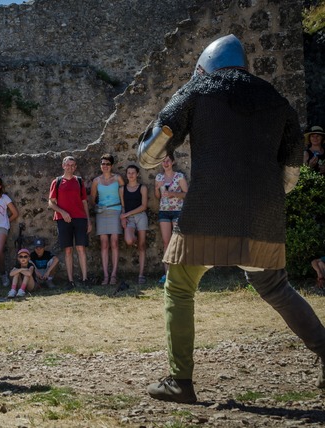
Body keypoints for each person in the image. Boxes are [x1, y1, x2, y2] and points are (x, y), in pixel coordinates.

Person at [137, 34, 325, 403]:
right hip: (262, 215)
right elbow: (290, 177)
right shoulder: (278, 102)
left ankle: (180, 382)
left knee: (179, 286)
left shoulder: (198, 89)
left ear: (205, 64)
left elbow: (149, 154)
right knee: (276, 288)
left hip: (207, 211)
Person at [48, 156, 92, 289]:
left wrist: (88, 221)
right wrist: (63, 212)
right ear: (63, 166)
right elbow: (51, 203)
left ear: (75, 167)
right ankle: (70, 281)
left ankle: (85, 279)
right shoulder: (57, 181)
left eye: (73, 165)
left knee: (81, 248)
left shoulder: (79, 181)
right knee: (68, 250)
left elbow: (84, 202)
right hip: (63, 219)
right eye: (68, 165)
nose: (70, 167)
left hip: (80, 218)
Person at [90, 153, 124, 286]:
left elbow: (124, 196)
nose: (105, 166)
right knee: (104, 244)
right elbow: (92, 199)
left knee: (114, 243)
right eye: (103, 163)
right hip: (102, 214)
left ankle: (114, 274)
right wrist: (97, 207)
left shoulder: (118, 179)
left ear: (112, 165)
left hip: (116, 211)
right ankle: (105, 275)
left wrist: (124, 213)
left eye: (107, 164)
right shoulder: (96, 181)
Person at [154, 154, 188, 284]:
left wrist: (173, 194)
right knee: (166, 242)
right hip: (164, 212)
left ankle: (178, 274)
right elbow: (157, 196)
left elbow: (186, 194)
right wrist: (157, 188)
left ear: (172, 162)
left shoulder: (179, 176)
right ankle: (167, 273)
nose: (165, 163)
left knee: (178, 242)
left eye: (168, 160)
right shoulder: (159, 177)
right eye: (163, 161)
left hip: (177, 212)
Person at [119, 165, 149, 284]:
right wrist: (123, 217)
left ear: (137, 174)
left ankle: (141, 274)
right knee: (129, 240)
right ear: (126, 174)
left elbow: (144, 206)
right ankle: (137, 241)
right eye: (128, 173)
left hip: (141, 216)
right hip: (128, 219)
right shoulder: (122, 189)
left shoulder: (142, 188)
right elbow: (122, 206)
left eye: (133, 173)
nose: (131, 175)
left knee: (142, 246)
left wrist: (125, 215)